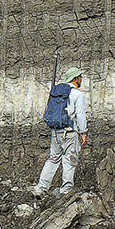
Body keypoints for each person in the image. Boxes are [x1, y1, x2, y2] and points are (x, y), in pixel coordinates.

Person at [34, 67, 88, 196]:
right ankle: (66, 190)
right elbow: (80, 115)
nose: (81, 79)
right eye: (80, 77)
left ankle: (40, 188)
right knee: (70, 160)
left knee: (53, 160)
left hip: (56, 131)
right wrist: (83, 133)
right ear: (75, 79)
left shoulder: (57, 92)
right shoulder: (77, 94)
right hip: (69, 132)